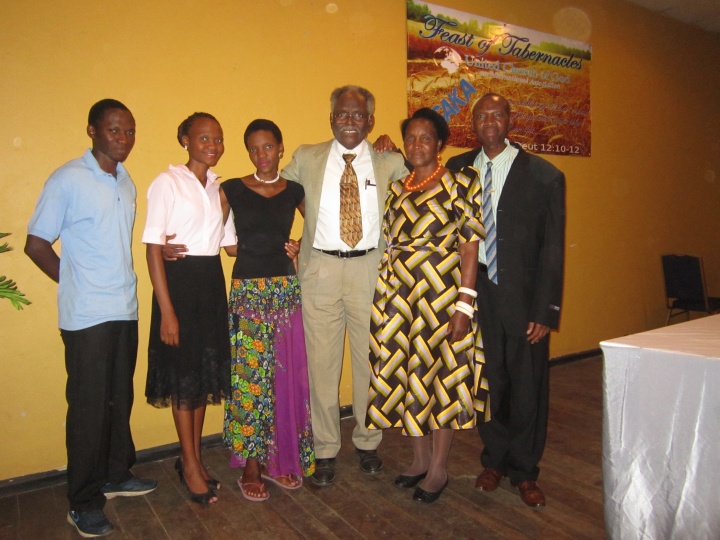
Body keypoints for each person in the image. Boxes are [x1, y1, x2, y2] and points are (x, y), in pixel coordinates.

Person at [25, 99, 157, 538]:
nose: (124, 139)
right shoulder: (67, 179)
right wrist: (73, 281)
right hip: (86, 316)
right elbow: (37, 243)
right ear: (93, 131)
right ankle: (82, 501)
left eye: (130, 131)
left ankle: (117, 474)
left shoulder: (125, 182)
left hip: (124, 308)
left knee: (119, 398)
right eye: (115, 130)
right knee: (88, 408)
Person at [281, 85, 408, 486]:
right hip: (320, 270)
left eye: (357, 115)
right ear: (330, 117)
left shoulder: (389, 160)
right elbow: (276, 194)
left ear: (371, 121)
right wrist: (308, 224)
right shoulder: (307, 156)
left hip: (370, 268)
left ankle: (368, 442)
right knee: (321, 365)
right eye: (342, 114)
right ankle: (324, 448)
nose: (349, 121)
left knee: (369, 361)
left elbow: (417, 197)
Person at [446, 93, 566, 508]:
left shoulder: (544, 175)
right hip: (477, 296)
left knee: (528, 384)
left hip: (525, 300)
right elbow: (417, 178)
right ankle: (494, 459)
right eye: (481, 116)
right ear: (473, 123)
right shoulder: (458, 169)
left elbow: (553, 248)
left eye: (497, 114)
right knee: (490, 382)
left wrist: (547, 309)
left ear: (509, 120)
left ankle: (525, 469)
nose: (489, 122)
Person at [366, 108, 489, 503]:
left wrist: (464, 306)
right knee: (405, 377)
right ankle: (418, 459)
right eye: (410, 138)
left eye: (425, 138)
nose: (417, 145)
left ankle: (438, 469)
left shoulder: (460, 184)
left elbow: (470, 247)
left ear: (439, 144)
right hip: (400, 297)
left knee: (441, 383)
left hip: (441, 296)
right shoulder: (396, 188)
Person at [142, 112, 234, 506]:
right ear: (185, 139)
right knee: (183, 378)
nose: (212, 146)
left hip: (211, 283)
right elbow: (152, 247)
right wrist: (167, 311)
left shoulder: (219, 188)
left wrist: (284, 245)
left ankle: (191, 458)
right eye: (203, 138)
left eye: (217, 139)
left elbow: (230, 245)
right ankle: (191, 464)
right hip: (178, 287)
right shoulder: (167, 182)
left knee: (201, 377)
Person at [221, 119, 314, 502]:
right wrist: (168, 245)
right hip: (247, 293)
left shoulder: (294, 190)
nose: (262, 155)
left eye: (268, 147)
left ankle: (281, 462)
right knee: (249, 383)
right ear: (249, 152)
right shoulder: (230, 189)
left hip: (284, 291)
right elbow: (217, 239)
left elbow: (325, 228)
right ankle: (252, 467)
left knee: (285, 379)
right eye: (254, 148)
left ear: (279, 147)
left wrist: (299, 246)